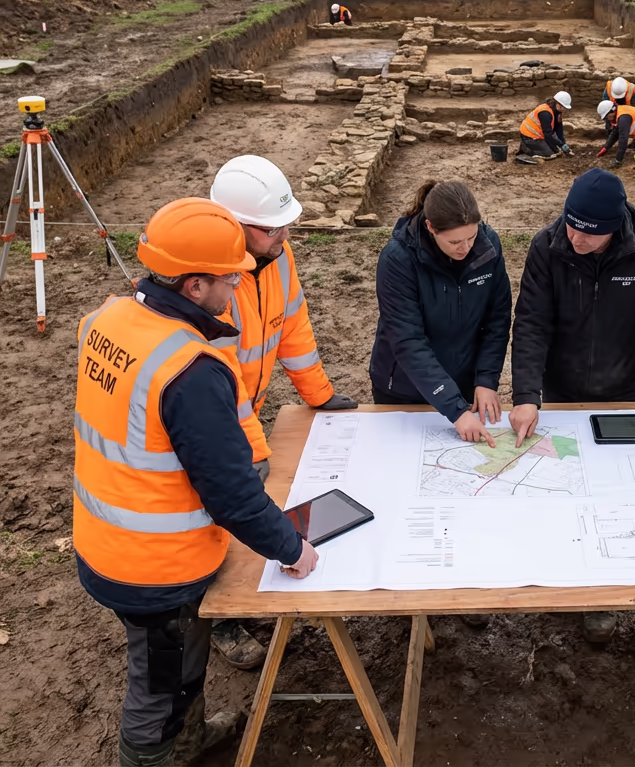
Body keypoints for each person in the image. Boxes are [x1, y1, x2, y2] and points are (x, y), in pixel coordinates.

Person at [73, 198, 318, 767]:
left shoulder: (107, 320)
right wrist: (290, 548)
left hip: (106, 539)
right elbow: (230, 490)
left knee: (179, 666)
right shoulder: (191, 369)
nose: (238, 289)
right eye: (230, 279)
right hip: (154, 567)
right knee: (157, 689)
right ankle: (156, 754)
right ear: (193, 287)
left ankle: (189, 738)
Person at [511, 168, 635, 642]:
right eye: (571, 225)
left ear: (615, 227)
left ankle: (605, 594)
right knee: (559, 488)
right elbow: (531, 323)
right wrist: (526, 397)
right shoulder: (548, 246)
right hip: (561, 392)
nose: (576, 238)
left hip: (625, 391)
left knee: (618, 496)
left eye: (590, 232)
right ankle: (558, 576)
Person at [208, 155, 356, 668]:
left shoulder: (278, 259)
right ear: (236, 227)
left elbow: (292, 328)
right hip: (215, 417)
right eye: (274, 228)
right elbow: (219, 382)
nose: (287, 233)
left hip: (247, 407)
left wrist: (319, 395)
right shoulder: (209, 285)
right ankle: (223, 616)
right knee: (221, 509)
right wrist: (253, 448)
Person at [370, 180, 512, 445]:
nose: (466, 247)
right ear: (431, 228)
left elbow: (498, 319)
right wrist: (455, 409)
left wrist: (486, 379)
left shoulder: (488, 246)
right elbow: (408, 340)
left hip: (463, 381)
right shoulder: (398, 259)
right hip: (404, 388)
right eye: (455, 241)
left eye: (471, 237)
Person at [517, 91, 573, 164]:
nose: (564, 110)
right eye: (563, 107)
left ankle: (537, 146)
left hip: (540, 134)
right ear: (558, 104)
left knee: (556, 147)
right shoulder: (545, 113)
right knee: (549, 154)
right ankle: (525, 149)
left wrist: (564, 145)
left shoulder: (557, 112)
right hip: (530, 136)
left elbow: (559, 129)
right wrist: (557, 147)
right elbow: (547, 135)